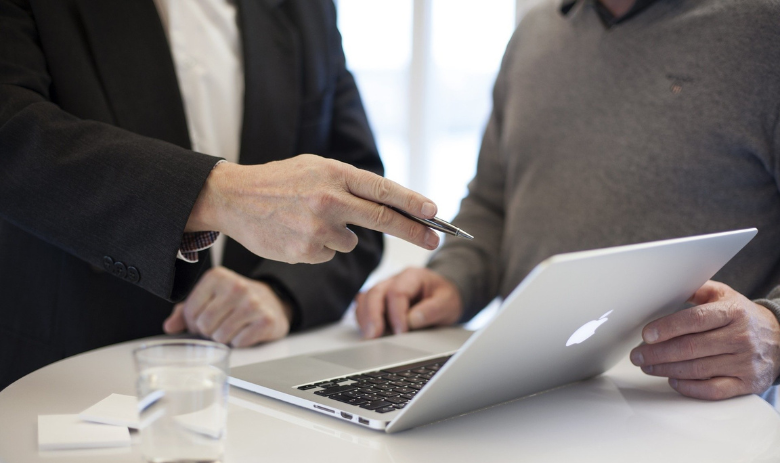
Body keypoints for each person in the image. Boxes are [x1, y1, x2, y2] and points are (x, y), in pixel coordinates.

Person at [0, 0, 442, 390]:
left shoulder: (305, 7)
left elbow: (353, 201)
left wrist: (281, 294)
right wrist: (217, 194)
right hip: (57, 380)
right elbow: (13, 131)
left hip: (252, 386)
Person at [357, 0, 780, 404]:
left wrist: (774, 329)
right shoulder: (534, 34)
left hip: (698, 413)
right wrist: (452, 280)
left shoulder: (764, 29)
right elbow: (492, 203)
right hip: (521, 392)